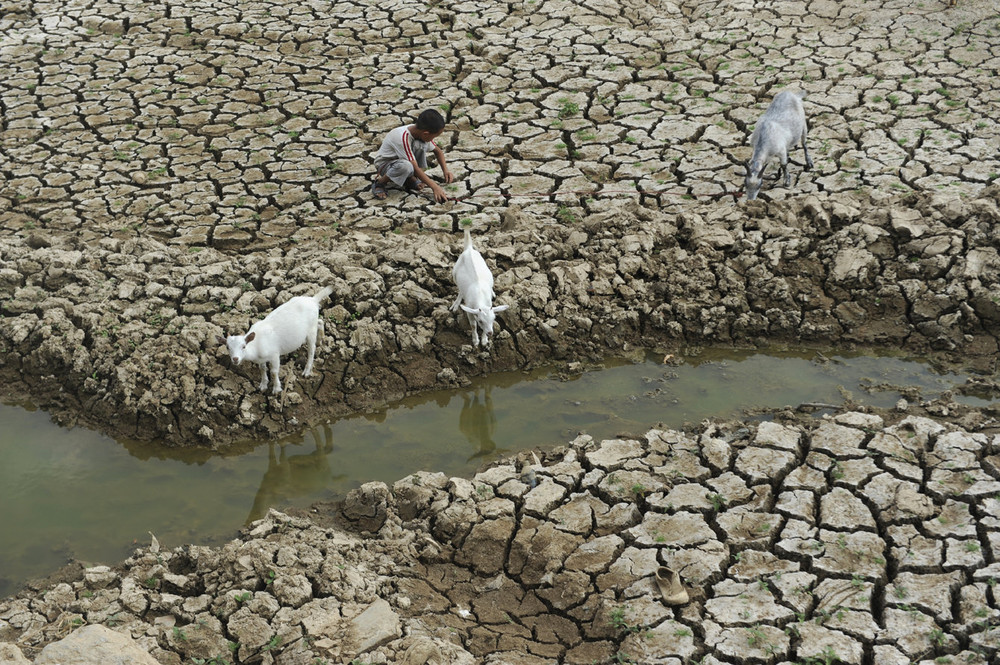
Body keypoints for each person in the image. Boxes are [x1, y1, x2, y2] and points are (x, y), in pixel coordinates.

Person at [371, 109, 454, 203]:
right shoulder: (402, 137)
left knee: (421, 146)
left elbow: (438, 151)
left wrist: (445, 170)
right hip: (385, 164)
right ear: (426, 133)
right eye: (434, 136)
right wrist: (435, 187)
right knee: (406, 166)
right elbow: (413, 166)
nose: (433, 139)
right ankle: (380, 183)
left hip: (403, 162)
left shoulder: (420, 134)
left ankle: (410, 179)